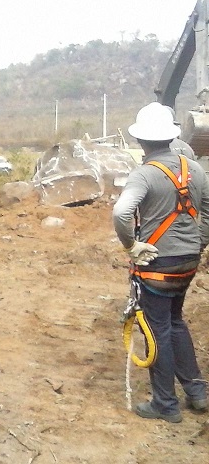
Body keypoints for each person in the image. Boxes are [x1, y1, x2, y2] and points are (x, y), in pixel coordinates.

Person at [112, 102, 209, 423]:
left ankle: (165, 405)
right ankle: (196, 391)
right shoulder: (196, 170)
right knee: (176, 321)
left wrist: (133, 246)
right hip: (188, 262)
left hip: (157, 266)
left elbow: (122, 212)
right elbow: (207, 212)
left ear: (141, 141)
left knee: (158, 329)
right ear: (170, 137)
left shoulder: (144, 174)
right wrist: (198, 242)